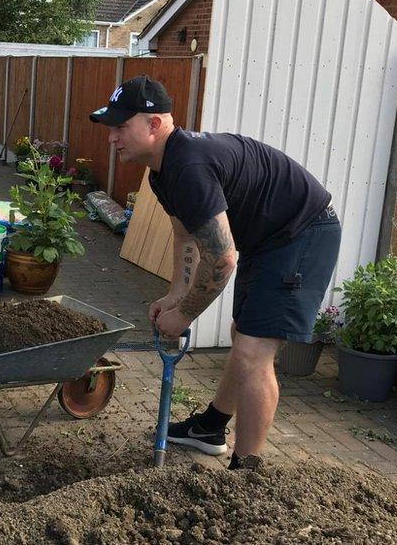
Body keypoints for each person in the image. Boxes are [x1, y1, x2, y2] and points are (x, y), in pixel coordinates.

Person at [90, 76, 341, 469]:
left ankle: (246, 472)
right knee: (243, 335)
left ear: (154, 124)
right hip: (268, 239)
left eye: (121, 127)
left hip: (303, 232)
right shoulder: (161, 171)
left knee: (254, 350)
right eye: (112, 127)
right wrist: (175, 294)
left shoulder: (188, 166)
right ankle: (210, 427)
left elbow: (222, 259)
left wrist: (186, 313)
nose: (112, 137)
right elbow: (185, 234)